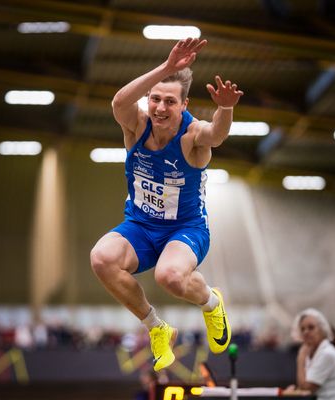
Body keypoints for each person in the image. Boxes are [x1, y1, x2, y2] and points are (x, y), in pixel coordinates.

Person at [90, 37, 243, 371]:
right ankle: (156, 327)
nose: (160, 108)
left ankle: (211, 302)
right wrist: (167, 68)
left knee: (170, 277)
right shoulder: (136, 126)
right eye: (155, 99)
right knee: (101, 259)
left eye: (170, 102)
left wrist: (226, 108)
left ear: (184, 105)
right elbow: (118, 102)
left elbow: (216, 134)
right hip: (140, 227)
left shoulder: (192, 137)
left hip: (185, 229)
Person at [283, 308, 335, 400]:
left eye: (311, 327)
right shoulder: (312, 353)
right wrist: (294, 392)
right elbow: (305, 387)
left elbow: (307, 388)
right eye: (302, 329)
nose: (306, 332)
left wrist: (300, 359)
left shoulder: (327, 353)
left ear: (322, 329)